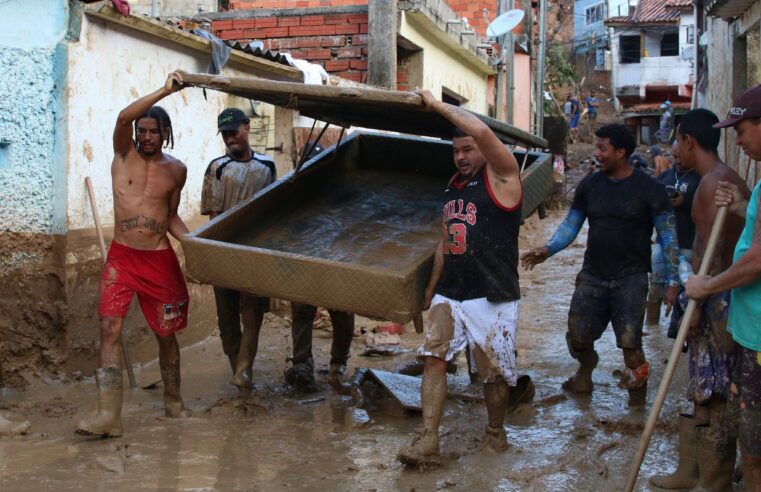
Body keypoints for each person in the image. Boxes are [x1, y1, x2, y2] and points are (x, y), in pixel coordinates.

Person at [397, 90, 523, 466]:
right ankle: (428, 438)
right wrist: (430, 291)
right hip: (451, 292)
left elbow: (484, 133)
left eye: (468, 149)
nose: (462, 157)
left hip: (492, 292)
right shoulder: (452, 187)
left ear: (483, 148)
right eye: (457, 151)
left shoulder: (504, 176)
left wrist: (436, 105)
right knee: (433, 359)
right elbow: (445, 241)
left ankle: (495, 433)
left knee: (492, 373)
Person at [521, 124, 680, 407]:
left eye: (602, 148)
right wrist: (549, 249)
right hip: (593, 275)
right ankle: (586, 368)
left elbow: (668, 237)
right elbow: (571, 225)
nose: (596, 154)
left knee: (631, 346)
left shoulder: (650, 189)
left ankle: (636, 406)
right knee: (577, 335)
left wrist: (672, 280)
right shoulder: (590, 185)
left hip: (631, 278)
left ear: (621, 152)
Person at [76, 72, 192, 438]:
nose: (144, 136)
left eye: (152, 131)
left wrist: (195, 244)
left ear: (165, 133)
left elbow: (171, 216)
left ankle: (174, 402)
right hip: (122, 259)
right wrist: (165, 90)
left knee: (166, 336)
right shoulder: (122, 155)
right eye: (141, 131)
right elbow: (123, 118)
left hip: (159, 262)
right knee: (109, 328)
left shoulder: (176, 171)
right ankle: (108, 415)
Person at [651, 109, 749, 490]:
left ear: (689, 140)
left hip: (717, 300)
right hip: (715, 294)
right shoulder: (721, 179)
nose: (675, 150)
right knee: (703, 385)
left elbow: (713, 251)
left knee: (715, 387)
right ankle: (692, 471)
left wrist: (696, 310)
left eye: (677, 141)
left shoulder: (713, 183)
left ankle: (713, 477)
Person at [686, 84, 761, 491]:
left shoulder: (715, 180)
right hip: (749, 328)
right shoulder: (755, 185)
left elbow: (755, 259)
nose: (739, 140)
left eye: (743, 129)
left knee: (754, 453)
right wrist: (742, 204)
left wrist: (706, 287)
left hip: (755, 331)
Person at [201, 108, 276, 395]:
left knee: (253, 314)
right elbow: (213, 217)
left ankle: (244, 374)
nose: (230, 137)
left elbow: (273, 210)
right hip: (223, 252)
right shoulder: (217, 168)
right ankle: (239, 370)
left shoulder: (267, 166)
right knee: (228, 324)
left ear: (247, 127)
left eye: (234, 131)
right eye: (225, 134)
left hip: (257, 253)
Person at [646, 140, 700, 330]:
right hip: (662, 244)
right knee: (655, 287)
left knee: (687, 290)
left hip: (688, 245)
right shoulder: (665, 177)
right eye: (674, 157)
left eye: (680, 156)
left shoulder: (700, 178)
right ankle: (651, 329)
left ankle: (684, 330)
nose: (677, 161)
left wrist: (685, 202)